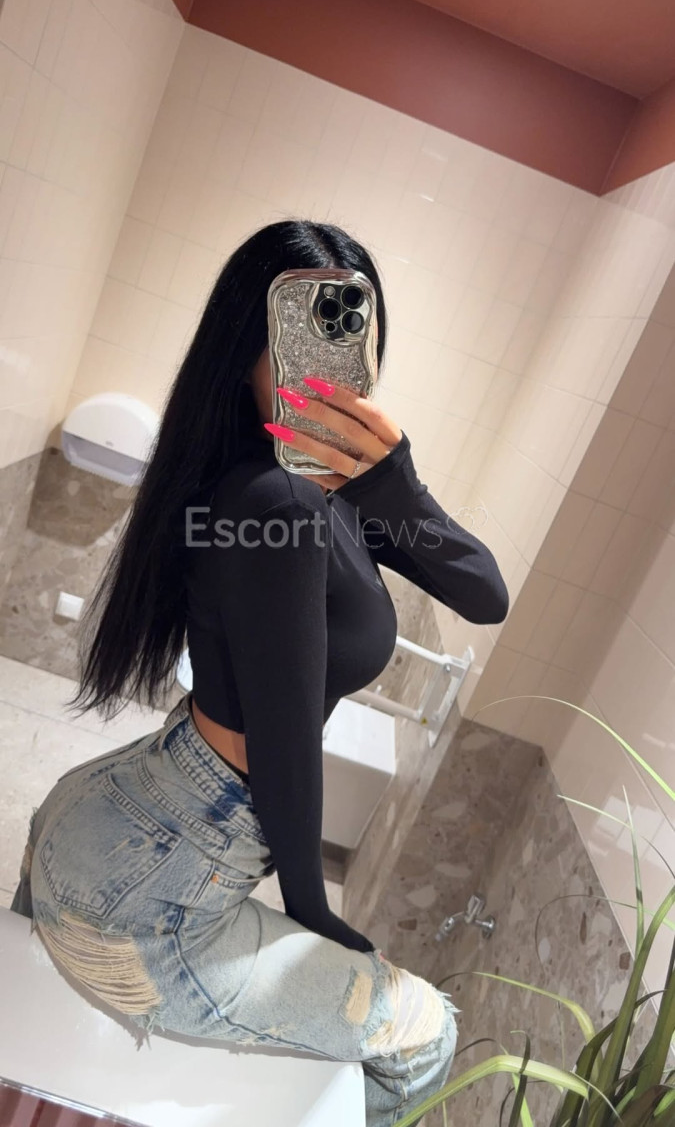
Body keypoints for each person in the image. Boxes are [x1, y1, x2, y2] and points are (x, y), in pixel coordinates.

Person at [11, 219, 509, 1127]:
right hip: (154, 873)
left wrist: (395, 479)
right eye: (296, 327)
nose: (326, 352)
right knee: (424, 1032)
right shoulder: (275, 500)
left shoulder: (328, 490)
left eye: (347, 323)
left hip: (118, 820)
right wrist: (315, 912)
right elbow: (278, 742)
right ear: (246, 347)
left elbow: (484, 595)